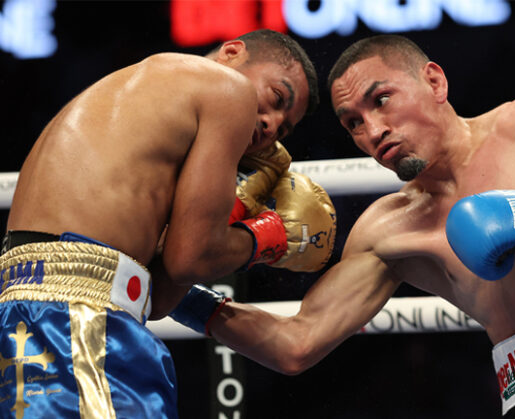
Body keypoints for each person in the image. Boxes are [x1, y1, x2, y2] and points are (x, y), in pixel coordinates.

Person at [175, 35, 515, 418]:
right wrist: (177, 291)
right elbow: (297, 343)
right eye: (353, 122)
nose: (373, 131)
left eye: (381, 100)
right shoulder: (389, 229)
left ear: (434, 81)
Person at [0, 29, 337, 419]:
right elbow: (190, 260)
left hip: (34, 313)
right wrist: (267, 236)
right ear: (232, 52)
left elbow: (158, 297)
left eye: (284, 129)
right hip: (78, 322)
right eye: (277, 98)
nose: (271, 124)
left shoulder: (144, 105)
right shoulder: (227, 89)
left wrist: (236, 206)